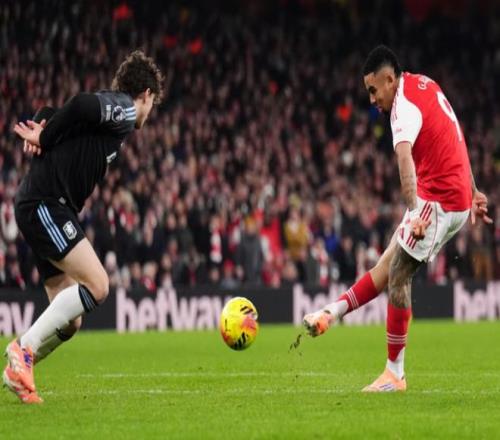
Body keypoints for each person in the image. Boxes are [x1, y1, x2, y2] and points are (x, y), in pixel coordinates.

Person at [303, 45, 492, 392]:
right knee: (387, 265)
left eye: (373, 90)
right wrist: (474, 189)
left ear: (389, 79)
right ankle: (331, 313)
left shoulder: (402, 108)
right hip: (449, 193)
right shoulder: (425, 84)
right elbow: (455, 133)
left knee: (399, 273)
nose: (372, 99)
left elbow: (405, 164)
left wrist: (416, 212)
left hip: (441, 199)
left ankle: (395, 374)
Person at [4, 50, 163, 404]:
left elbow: (60, 112)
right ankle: (23, 349)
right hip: (47, 203)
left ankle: (17, 371)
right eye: (153, 104)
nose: (150, 112)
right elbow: (79, 105)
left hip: (46, 205)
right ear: (147, 94)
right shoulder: (124, 110)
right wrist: (46, 137)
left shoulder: (110, 119)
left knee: (70, 322)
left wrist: (43, 121)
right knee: (98, 285)